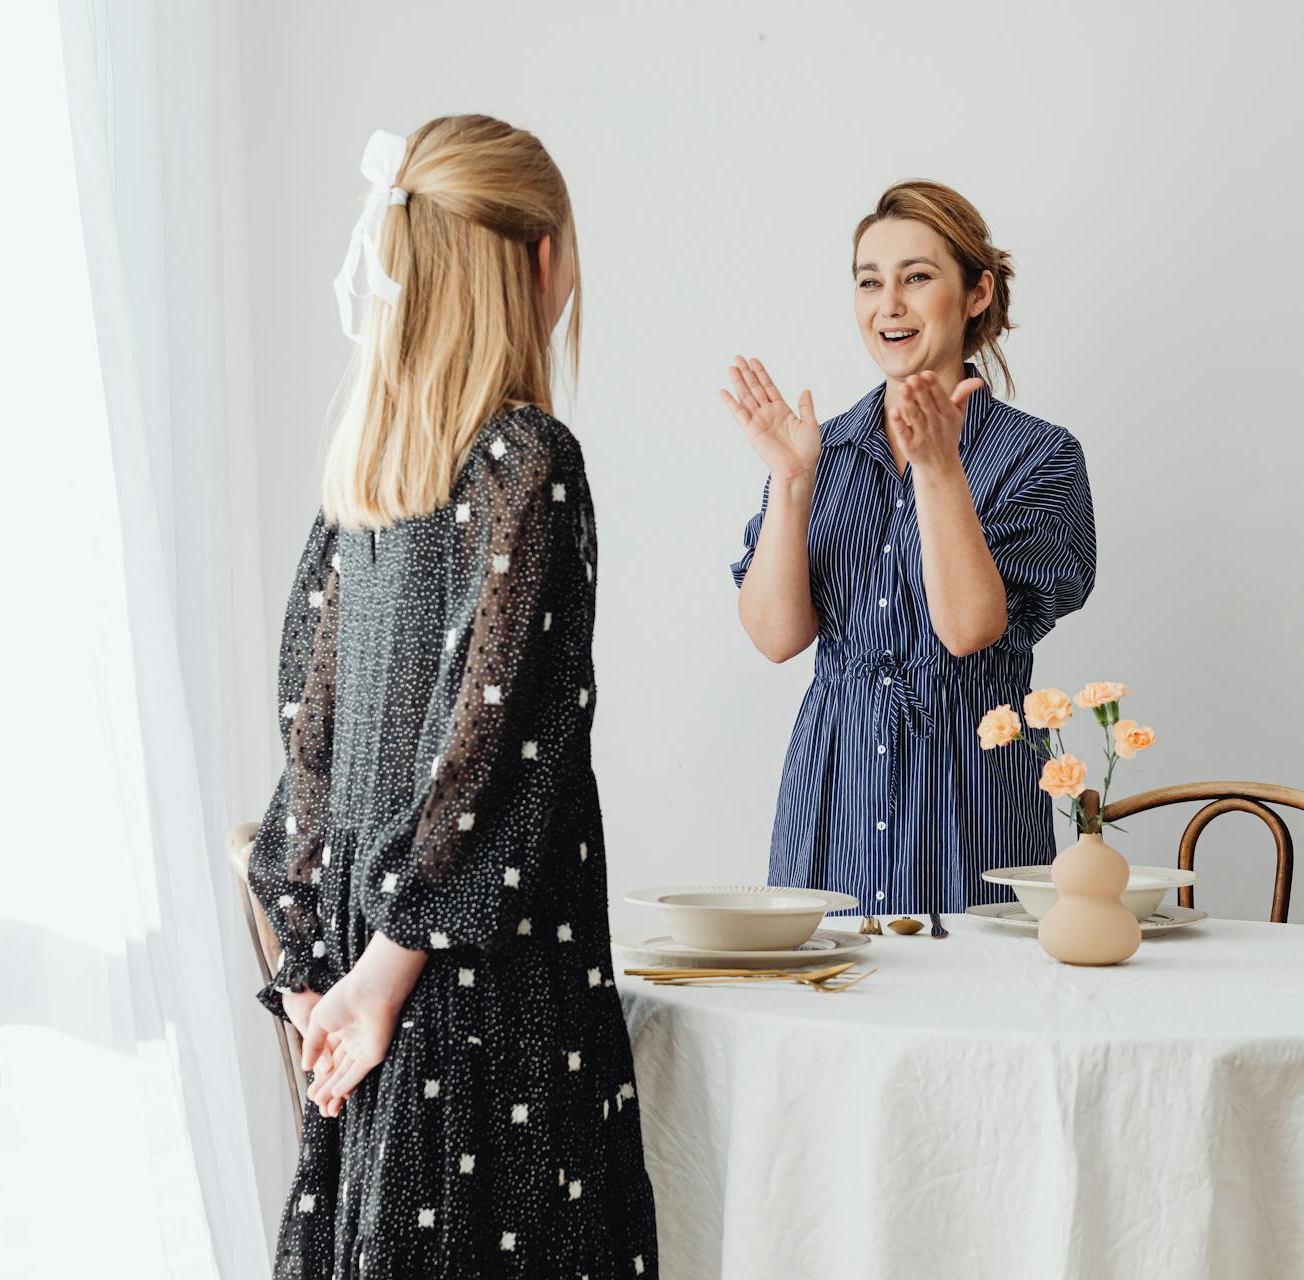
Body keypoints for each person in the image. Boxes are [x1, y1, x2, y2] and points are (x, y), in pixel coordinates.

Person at [248, 115, 658, 1278]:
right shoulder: (528, 461)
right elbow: (500, 746)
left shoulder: (360, 491)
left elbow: (309, 753)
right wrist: (381, 975)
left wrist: (322, 970)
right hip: (489, 1019)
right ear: (535, 263)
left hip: (375, 1007)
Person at [723, 179, 1097, 936]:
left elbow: (967, 630)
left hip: (971, 796)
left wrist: (938, 469)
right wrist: (792, 483)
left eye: (917, 277)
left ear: (976, 294)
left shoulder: (1041, 458)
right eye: (869, 281)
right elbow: (774, 637)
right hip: (834, 792)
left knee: (979, 1027)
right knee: (829, 1019)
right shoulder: (817, 450)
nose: (888, 303)